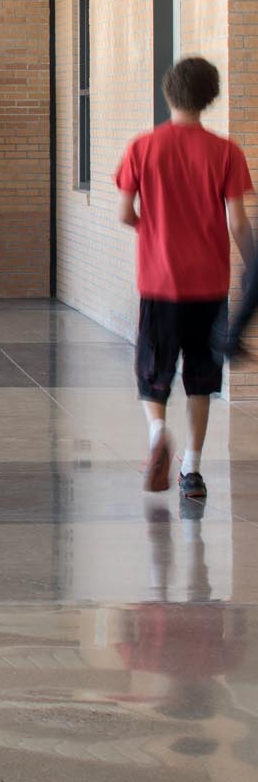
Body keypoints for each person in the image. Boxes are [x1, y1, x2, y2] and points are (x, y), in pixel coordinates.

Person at [116, 57, 254, 500]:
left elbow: (124, 213)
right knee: (201, 378)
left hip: (159, 283)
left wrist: (151, 229)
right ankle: (191, 472)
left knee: (152, 374)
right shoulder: (225, 151)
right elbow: (237, 222)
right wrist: (253, 267)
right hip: (209, 286)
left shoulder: (142, 148)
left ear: (167, 93)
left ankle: (158, 433)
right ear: (209, 99)